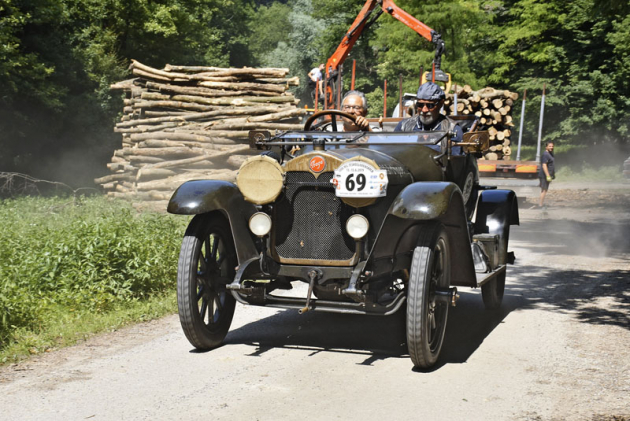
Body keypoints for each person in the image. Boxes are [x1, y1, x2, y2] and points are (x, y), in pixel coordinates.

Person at [394, 82, 463, 152]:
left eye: (430, 105)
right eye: (420, 105)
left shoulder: (453, 130)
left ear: (441, 104)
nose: (424, 110)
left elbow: (455, 160)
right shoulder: (403, 127)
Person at [537, 141, 555, 208]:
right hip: (544, 175)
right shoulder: (545, 154)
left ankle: (541, 204)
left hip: (548, 175)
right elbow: (544, 165)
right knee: (544, 190)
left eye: (552, 146)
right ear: (546, 147)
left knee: (545, 190)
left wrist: (553, 174)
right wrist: (547, 175)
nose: (551, 147)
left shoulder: (550, 154)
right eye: (550, 146)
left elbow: (551, 165)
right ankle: (540, 205)